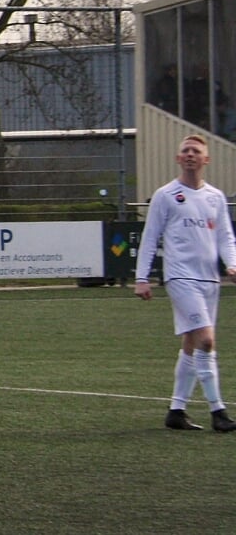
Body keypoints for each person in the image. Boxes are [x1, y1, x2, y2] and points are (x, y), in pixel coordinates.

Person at [134, 133, 236, 432]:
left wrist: (232, 263)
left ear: (206, 159)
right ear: (179, 159)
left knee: (192, 343)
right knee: (206, 340)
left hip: (209, 280)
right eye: (185, 151)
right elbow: (150, 237)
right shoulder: (166, 195)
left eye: (196, 151)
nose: (190, 154)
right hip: (180, 277)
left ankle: (176, 411)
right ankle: (218, 412)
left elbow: (225, 237)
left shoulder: (215, 197)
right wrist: (142, 278)